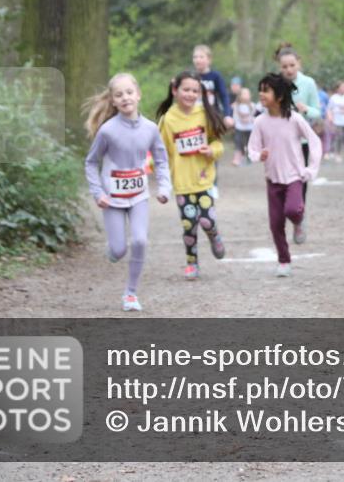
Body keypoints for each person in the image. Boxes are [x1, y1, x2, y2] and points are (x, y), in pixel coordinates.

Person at [83, 73, 172, 312]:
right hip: (111, 198)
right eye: (119, 95)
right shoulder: (107, 131)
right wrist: (97, 192)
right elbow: (91, 163)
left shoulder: (151, 129)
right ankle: (113, 249)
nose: (125, 98)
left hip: (139, 196)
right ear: (112, 100)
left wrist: (164, 188)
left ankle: (130, 293)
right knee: (119, 249)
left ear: (138, 95)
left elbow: (162, 161)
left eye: (129, 93)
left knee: (141, 240)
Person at [156, 70, 228, 280]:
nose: (190, 94)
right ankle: (191, 262)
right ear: (175, 90)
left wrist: (211, 151)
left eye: (195, 90)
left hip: (204, 179)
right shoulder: (168, 119)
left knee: (206, 221)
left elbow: (218, 143)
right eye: (186, 89)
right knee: (189, 224)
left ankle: (214, 236)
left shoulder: (204, 114)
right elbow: (161, 151)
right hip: (181, 182)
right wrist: (150, 166)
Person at [249, 73, 322, 277]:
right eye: (260, 90)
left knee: (292, 210)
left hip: (294, 178)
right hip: (272, 180)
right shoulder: (260, 122)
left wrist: (311, 169)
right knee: (275, 223)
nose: (261, 94)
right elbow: (252, 148)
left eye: (266, 90)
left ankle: (299, 219)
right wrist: (258, 155)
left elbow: (314, 141)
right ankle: (284, 260)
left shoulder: (295, 119)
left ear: (280, 96)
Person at [276, 43, 322, 242]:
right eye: (284, 66)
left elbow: (318, 112)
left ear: (299, 64)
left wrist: (305, 110)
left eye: (292, 65)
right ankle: (286, 214)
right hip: (280, 141)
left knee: (300, 181)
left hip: (301, 141)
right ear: (280, 67)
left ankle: (298, 219)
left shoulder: (308, 83)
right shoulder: (276, 83)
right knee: (281, 181)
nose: (288, 70)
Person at [192, 44, 234, 129]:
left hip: (212, 116)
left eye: (201, 57)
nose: (197, 60)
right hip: (194, 116)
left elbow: (224, 96)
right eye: (195, 57)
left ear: (209, 60)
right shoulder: (190, 76)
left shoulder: (215, 76)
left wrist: (227, 115)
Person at [232, 88, 257, 167]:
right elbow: (235, 115)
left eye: (247, 94)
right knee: (239, 143)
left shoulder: (252, 105)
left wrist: (251, 120)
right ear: (240, 96)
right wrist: (235, 122)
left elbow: (254, 115)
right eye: (244, 94)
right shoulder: (236, 106)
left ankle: (250, 157)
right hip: (239, 128)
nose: (246, 96)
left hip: (249, 128)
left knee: (249, 143)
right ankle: (238, 157)